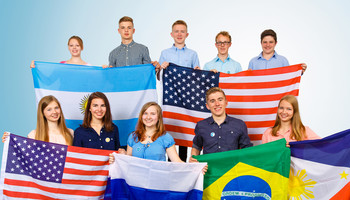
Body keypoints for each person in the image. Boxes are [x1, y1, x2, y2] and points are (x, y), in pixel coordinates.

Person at [158, 20, 200, 161]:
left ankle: (182, 166)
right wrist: (161, 68)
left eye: (182, 31)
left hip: (187, 99)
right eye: (176, 31)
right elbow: (157, 77)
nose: (179, 34)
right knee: (171, 129)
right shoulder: (165, 53)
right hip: (171, 98)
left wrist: (198, 72)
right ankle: (171, 163)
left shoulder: (193, 54)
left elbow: (197, 78)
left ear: (187, 34)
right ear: (172, 34)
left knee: (184, 131)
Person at [190, 87, 252, 162]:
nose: (217, 104)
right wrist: (193, 160)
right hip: (208, 171)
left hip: (232, 171)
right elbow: (196, 146)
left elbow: (248, 150)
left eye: (220, 99)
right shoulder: (201, 125)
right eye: (212, 101)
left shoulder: (239, 124)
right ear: (207, 106)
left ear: (226, 103)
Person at [2, 95, 73, 145]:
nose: (54, 112)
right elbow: (25, 156)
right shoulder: (33, 135)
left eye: (56, 108)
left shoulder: (70, 133)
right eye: (49, 109)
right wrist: (10, 142)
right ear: (42, 113)